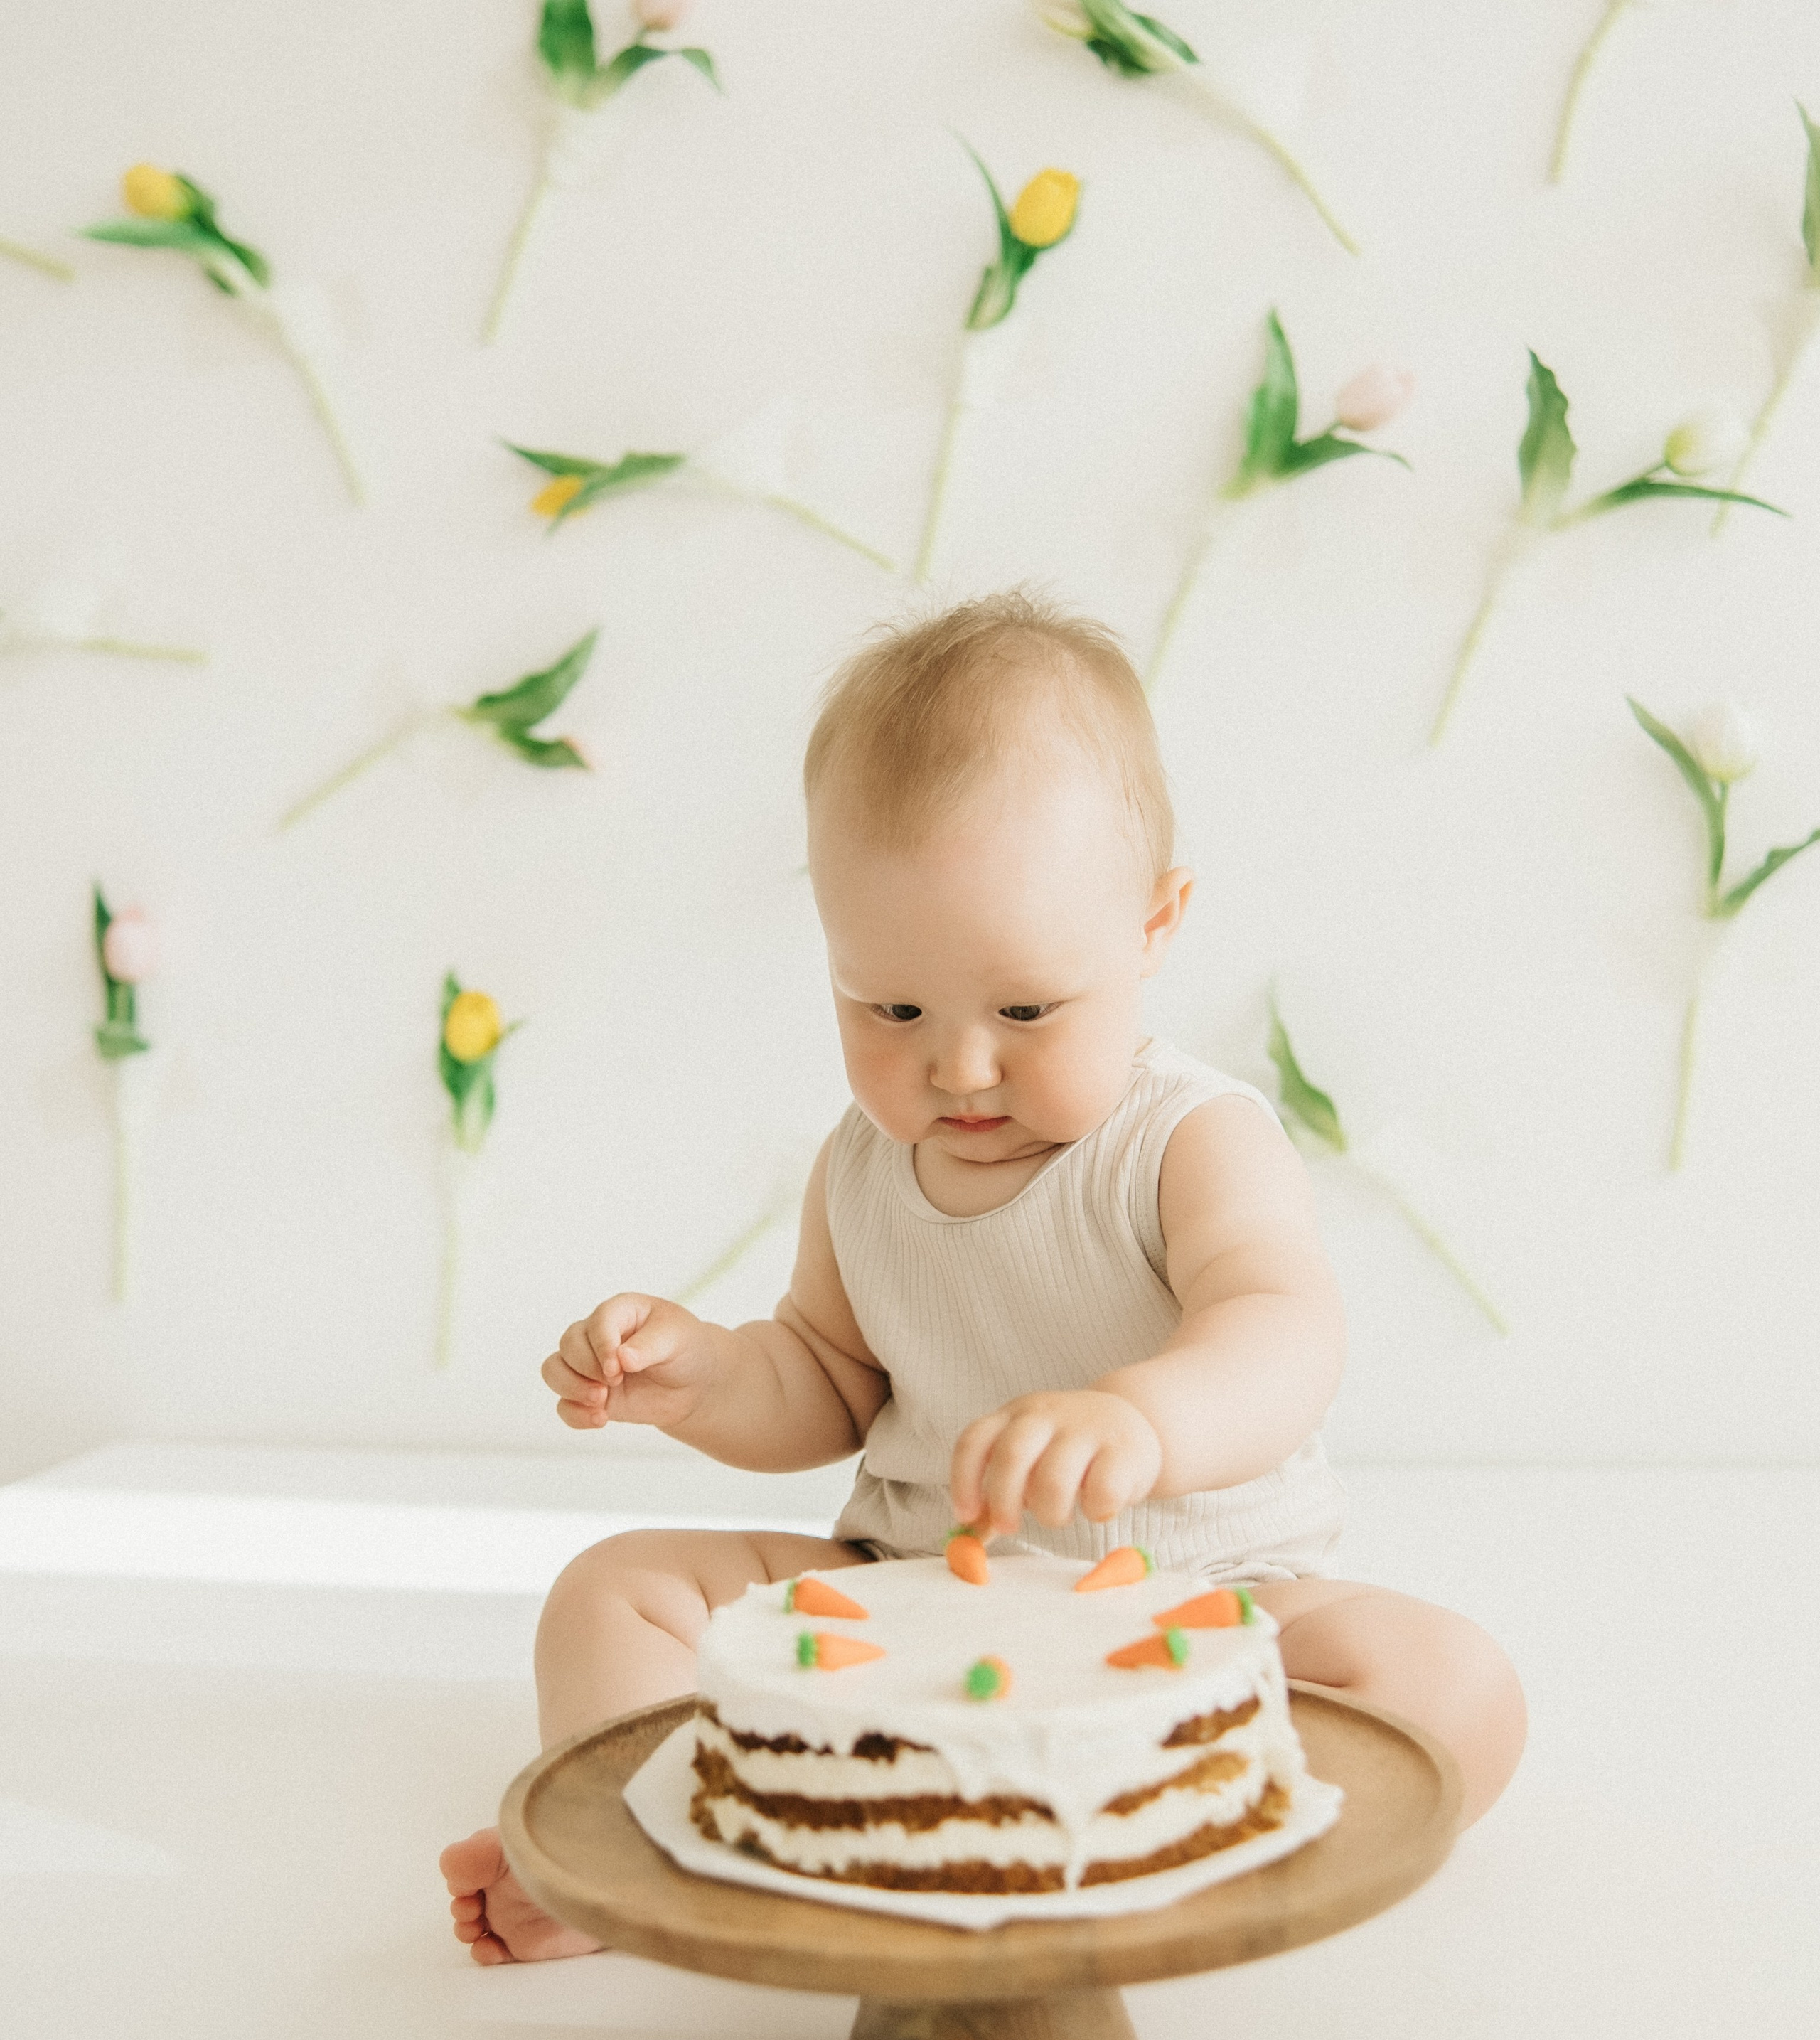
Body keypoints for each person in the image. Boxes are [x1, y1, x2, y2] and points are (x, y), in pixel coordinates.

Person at [441, 592, 1526, 1962]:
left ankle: (1199, 1824)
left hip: (1192, 1607)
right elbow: (828, 1381)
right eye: (890, 1008)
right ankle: (628, 1858)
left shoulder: (1189, 1140)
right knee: (617, 1590)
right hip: (908, 1586)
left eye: (1025, 1009)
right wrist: (707, 1374)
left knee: (1455, 1684)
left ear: (1155, 925)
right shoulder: (862, 1167)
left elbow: (1283, 1324)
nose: (957, 1066)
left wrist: (1142, 1419)